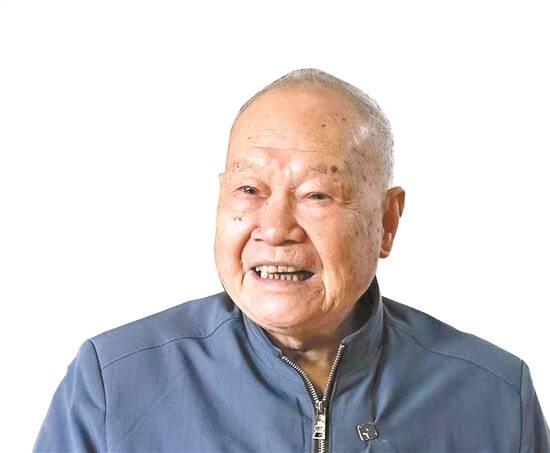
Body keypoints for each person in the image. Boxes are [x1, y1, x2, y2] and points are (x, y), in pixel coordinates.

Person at [34, 69, 550, 453]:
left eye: (316, 195)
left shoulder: (496, 396)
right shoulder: (114, 383)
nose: (276, 228)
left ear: (386, 221)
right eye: (249, 189)